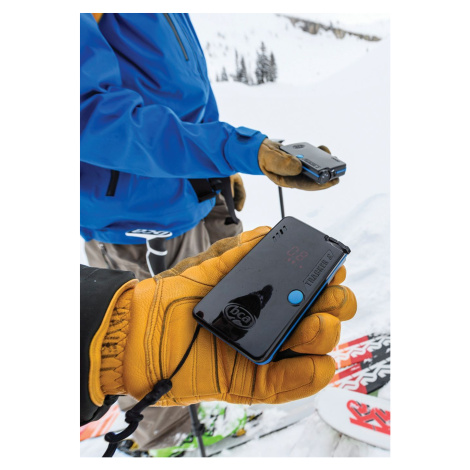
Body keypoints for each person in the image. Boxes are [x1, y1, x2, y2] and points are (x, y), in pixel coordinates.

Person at [80, 12, 339, 453]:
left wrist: (214, 169)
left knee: (220, 310)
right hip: (133, 211)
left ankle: (215, 405)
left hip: (188, 190)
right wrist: (232, 149)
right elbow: (92, 117)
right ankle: (164, 435)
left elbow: (182, 90)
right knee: (146, 334)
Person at [80, 227, 357, 430]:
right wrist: (125, 332)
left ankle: (172, 425)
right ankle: (165, 433)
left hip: (186, 211)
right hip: (127, 227)